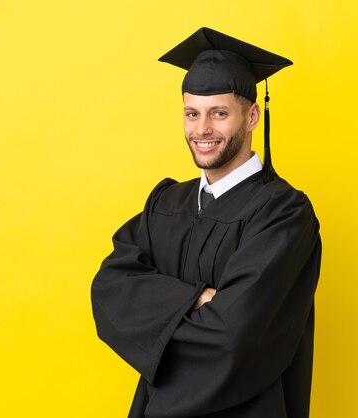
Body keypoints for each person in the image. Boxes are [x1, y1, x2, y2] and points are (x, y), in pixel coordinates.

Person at [91, 27, 322, 418]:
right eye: (192, 114)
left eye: (219, 113)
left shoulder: (283, 214)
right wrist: (198, 297)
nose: (202, 130)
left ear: (252, 116)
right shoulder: (166, 203)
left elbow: (235, 338)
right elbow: (109, 294)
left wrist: (159, 324)